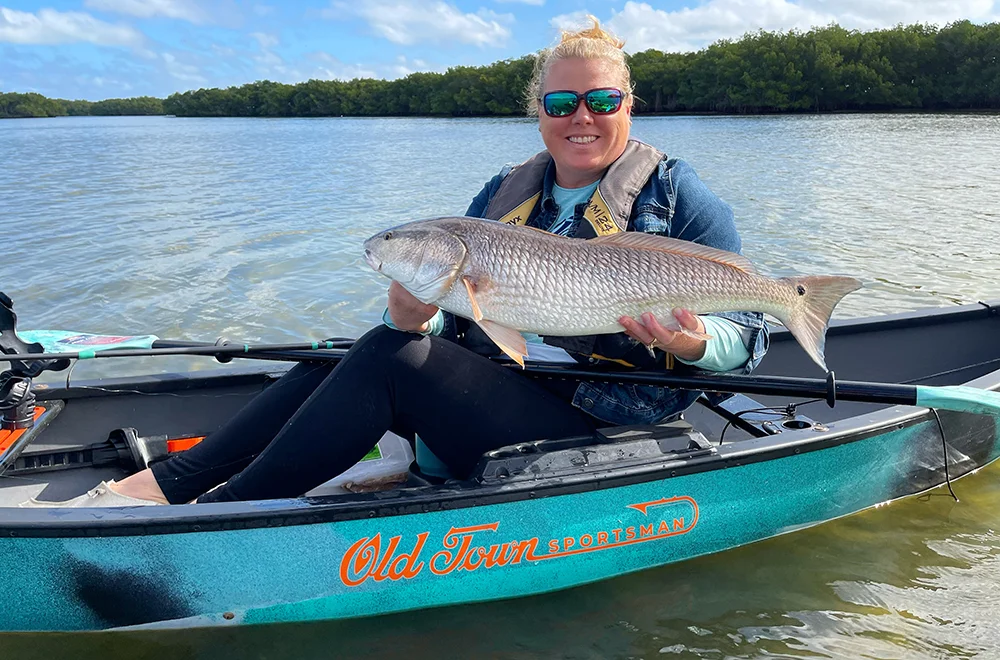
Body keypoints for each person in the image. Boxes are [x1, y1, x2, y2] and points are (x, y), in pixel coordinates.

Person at [23, 17, 767, 507]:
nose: (582, 117)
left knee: (387, 362)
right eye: (563, 100)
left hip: (603, 422)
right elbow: (458, 322)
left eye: (602, 99)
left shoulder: (678, 196)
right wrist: (406, 314)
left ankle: (215, 517)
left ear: (629, 105)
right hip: (507, 392)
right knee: (355, 352)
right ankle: (164, 486)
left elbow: (752, 337)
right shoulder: (503, 195)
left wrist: (695, 342)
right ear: (537, 109)